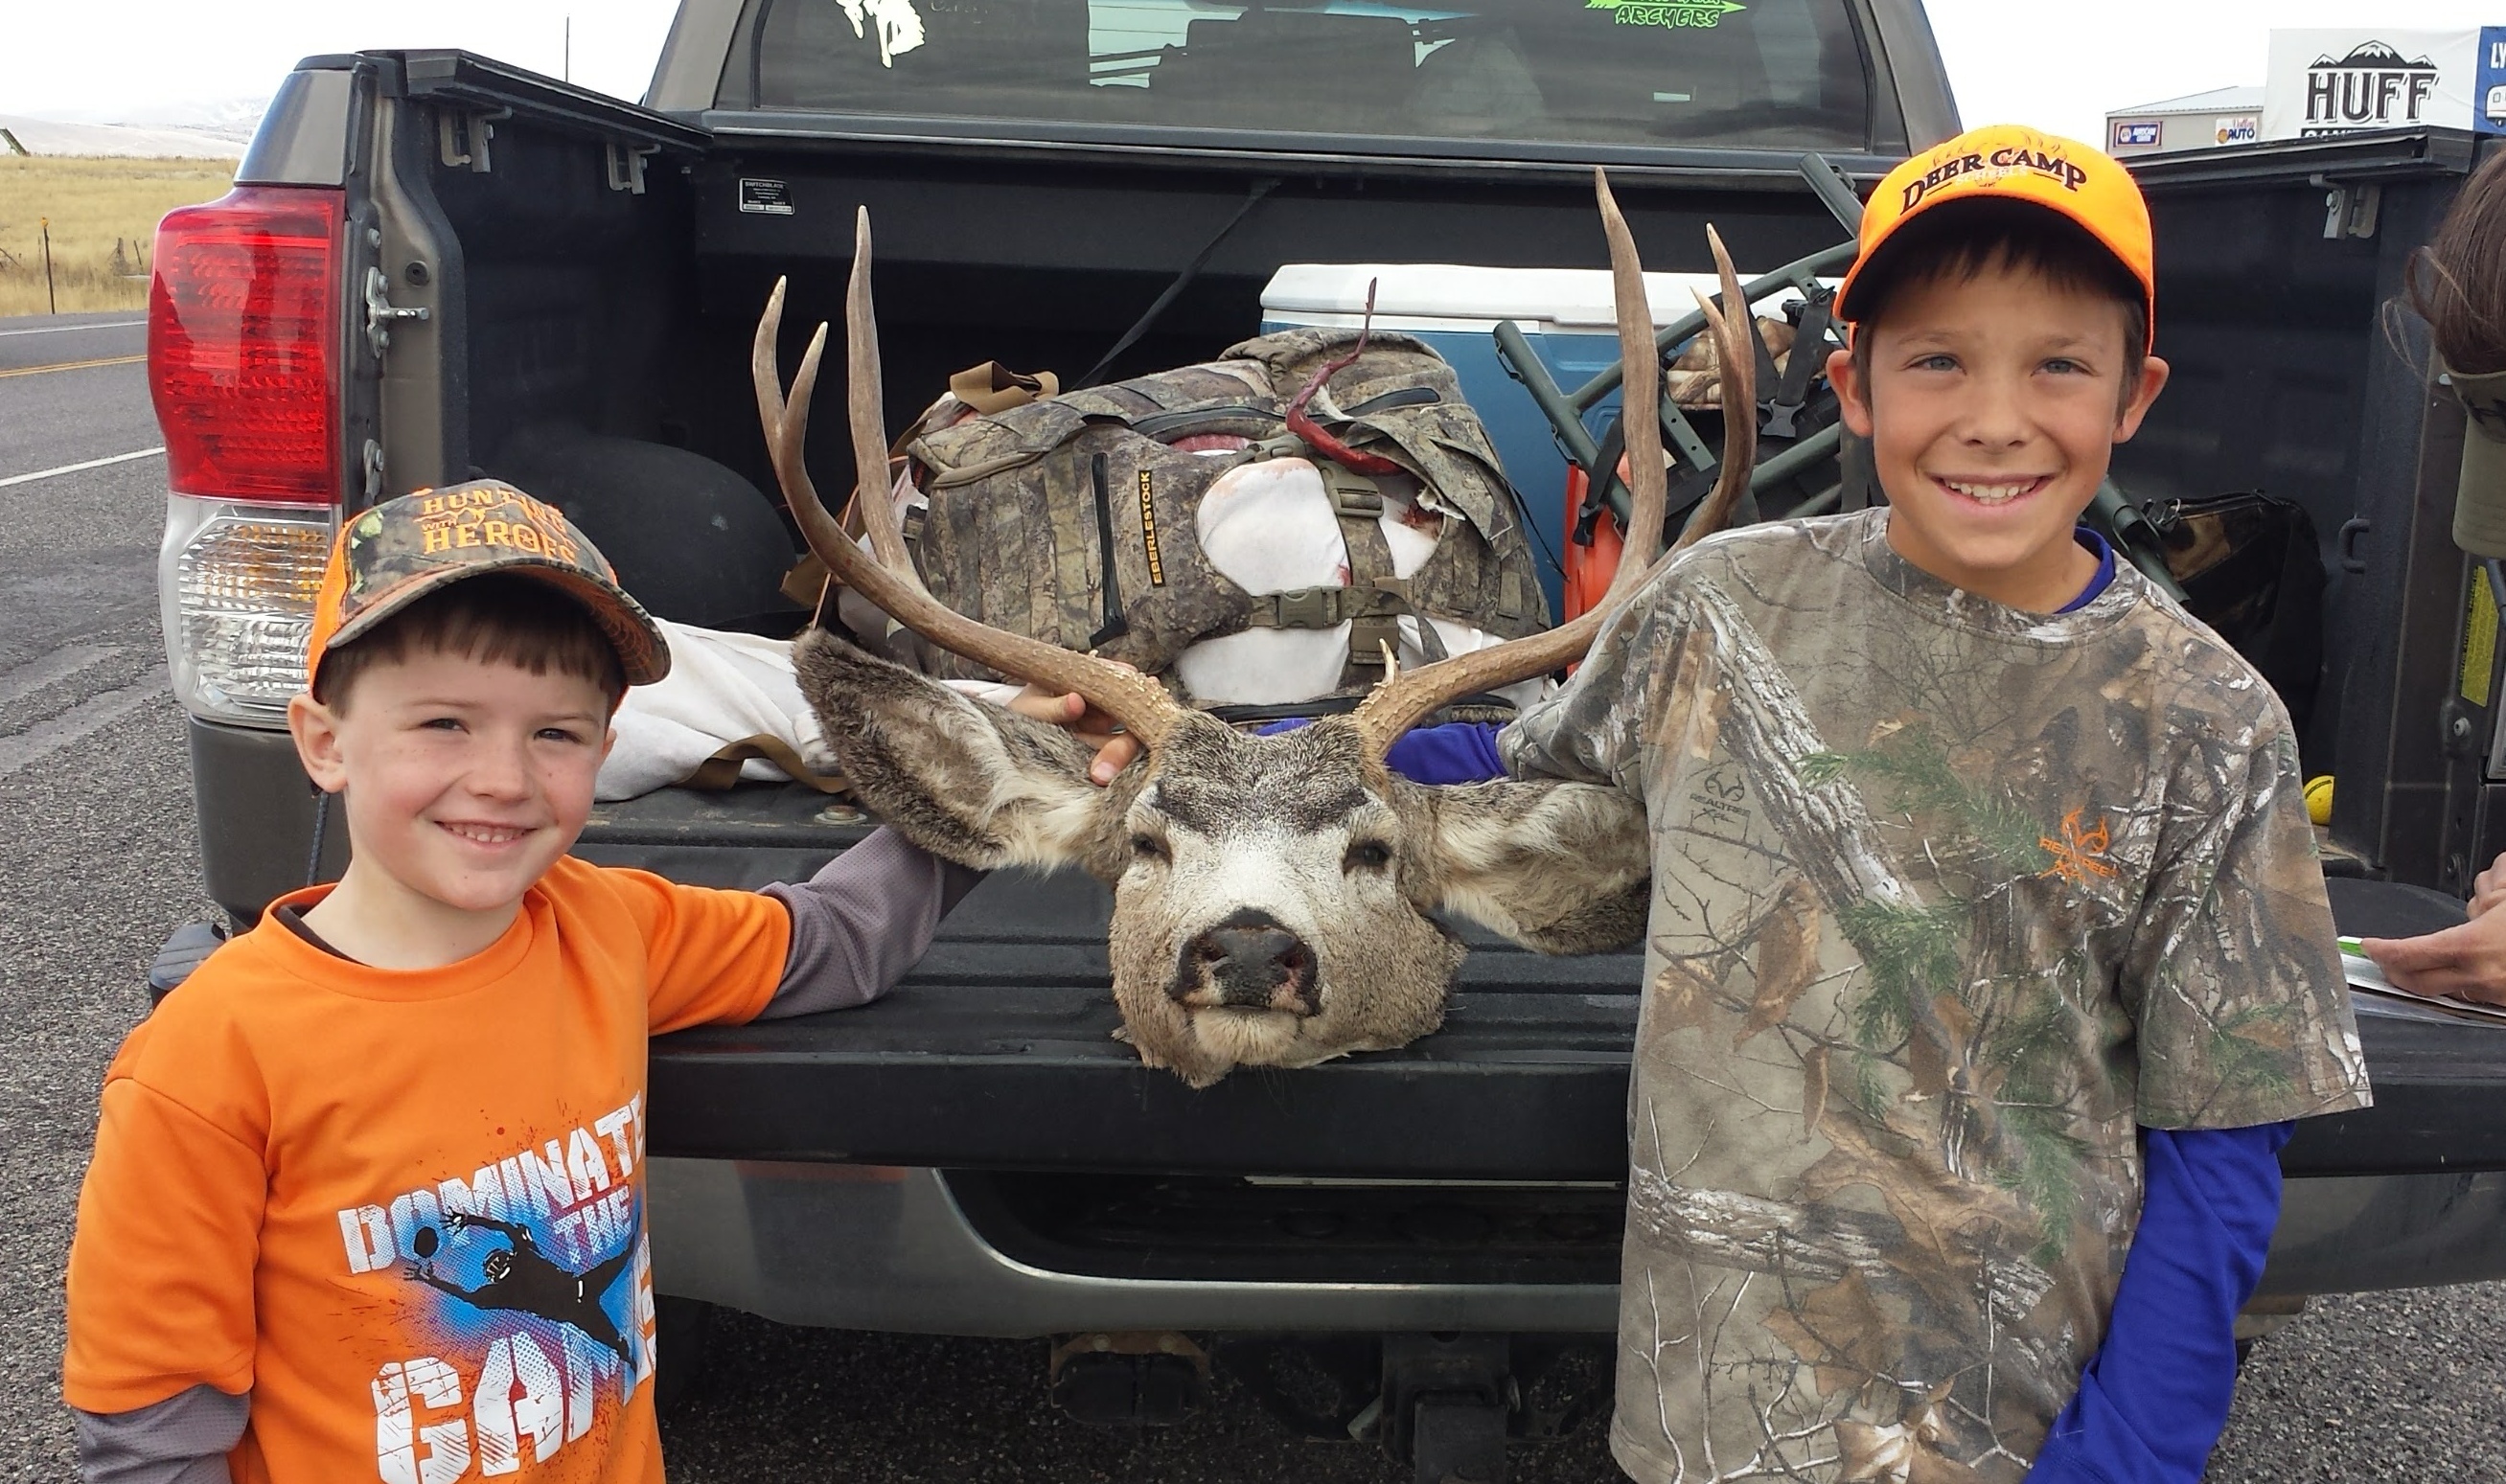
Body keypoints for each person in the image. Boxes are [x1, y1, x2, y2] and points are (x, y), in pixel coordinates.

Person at [1067, 126, 2375, 1481]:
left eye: (2056, 364)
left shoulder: (2204, 721)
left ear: (2133, 395)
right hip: (1709, 1408)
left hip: (2006, 1418)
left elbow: (2222, 1129)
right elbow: (1513, 756)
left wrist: (2128, 1457)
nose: (1993, 417)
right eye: (1936, 359)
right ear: (1850, 384)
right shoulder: (1720, 606)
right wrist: (1241, 747)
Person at [60, 482, 995, 1483]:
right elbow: (154, 1431)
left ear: (605, 748)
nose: (504, 778)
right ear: (325, 742)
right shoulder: (209, 1059)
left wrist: (997, 776)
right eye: (444, 723)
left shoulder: (603, 926)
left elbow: (835, 940)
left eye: (555, 733)